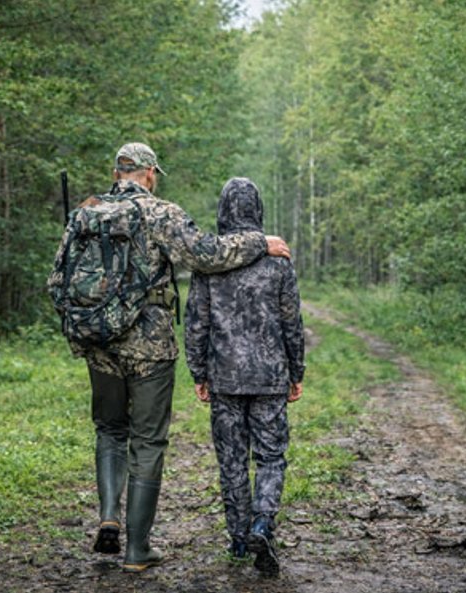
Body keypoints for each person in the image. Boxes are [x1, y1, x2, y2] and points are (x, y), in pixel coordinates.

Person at [47, 143, 290, 572]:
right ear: (148, 174)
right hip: (149, 348)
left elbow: (56, 281)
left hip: (98, 343)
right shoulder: (161, 213)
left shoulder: (84, 213)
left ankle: (108, 516)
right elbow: (206, 255)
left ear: (117, 171)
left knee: (108, 428)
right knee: (147, 440)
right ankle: (137, 549)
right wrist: (258, 243)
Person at [184, 177, 305, 576]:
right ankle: (261, 523)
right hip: (270, 376)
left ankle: (238, 539)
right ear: (257, 208)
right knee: (271, 456)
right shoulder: (278, 261)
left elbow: (196, 323)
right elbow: (292, 322)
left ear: (222, 210)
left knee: (232, 460)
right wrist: (296, 370)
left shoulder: (210, 264)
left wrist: (198, 371)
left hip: (224, 377)